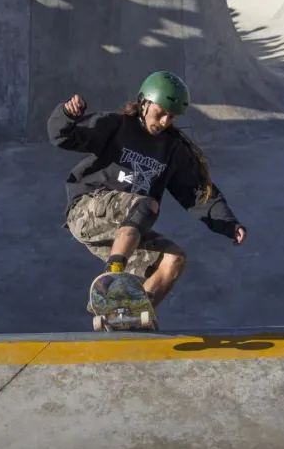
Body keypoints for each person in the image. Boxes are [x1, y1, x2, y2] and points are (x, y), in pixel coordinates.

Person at [47, 72, 247, 314]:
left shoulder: (173, 150)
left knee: (173, 260)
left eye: (170, 117)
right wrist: (67, 115)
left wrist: (228, 223)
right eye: (160, 113)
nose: (164, 121)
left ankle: (130, 315)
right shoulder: (117, 126)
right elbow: (64, 137)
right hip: (87, 210)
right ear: (144, 103)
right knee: (145, 205)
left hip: (122, 232)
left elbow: (197, 194)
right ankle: (113, 279)